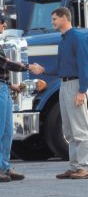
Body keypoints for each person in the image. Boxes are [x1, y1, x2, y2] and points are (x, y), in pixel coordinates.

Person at [34, 7, 88, 179]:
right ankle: (74, 167)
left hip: (75, 86)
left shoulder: (78, 38)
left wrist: (82, 90)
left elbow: (85, 66)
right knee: (69, 130)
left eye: (54, 19)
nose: (52, 22)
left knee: (80, 128)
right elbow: (60, 68)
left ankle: (84, 167)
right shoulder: (64, 40)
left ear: (65, 18)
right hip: (64, 85)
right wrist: (43, 70)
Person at [0, 16, 42, 182]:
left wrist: (12, 86)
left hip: (4, 88)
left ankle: (4, 167)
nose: (3, 24)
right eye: (0, 21)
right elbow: (4, 64)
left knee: (7, 131)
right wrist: (28, 66)